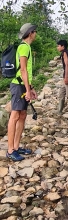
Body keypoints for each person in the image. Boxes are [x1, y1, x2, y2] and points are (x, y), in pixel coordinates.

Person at [6, 23, 38, 161]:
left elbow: (27, 72)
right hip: (18, 86)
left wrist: (31, 88)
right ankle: (10, 149)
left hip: (23, 85)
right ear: (30, 33)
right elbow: (23, 69)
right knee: (15, 115)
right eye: (34, 31)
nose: (35, 33)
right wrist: (27, 90)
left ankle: (17, 146)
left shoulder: (26, 47)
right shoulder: (24, 47)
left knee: (23, 115)